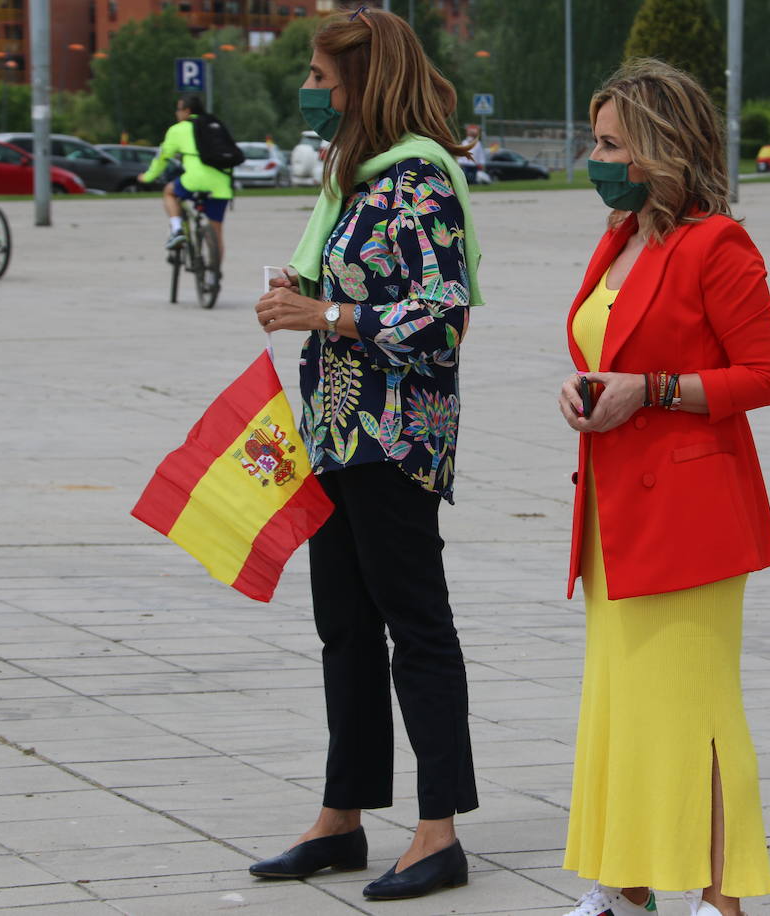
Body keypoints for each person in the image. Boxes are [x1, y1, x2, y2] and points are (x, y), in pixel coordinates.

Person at [247, 6, 484, 903]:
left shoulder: (419, 179)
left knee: (416, 626)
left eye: (318, 79)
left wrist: (329, 315)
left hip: (396, 440)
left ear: (362, 81)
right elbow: (355, 290)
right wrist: (300, 294)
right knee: (342, 628)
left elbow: (442, 319)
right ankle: (342, 819)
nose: (308, 93)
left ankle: (439, 830)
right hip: (337, 434)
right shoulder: (353, 180)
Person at [555, 59, 770, 916]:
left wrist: (648, 390)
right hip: (612, 512)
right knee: (623, 709)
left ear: (658, 149)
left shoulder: (716, 245)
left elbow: (764, 376)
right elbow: (605, 351)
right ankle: (625, 886)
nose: (596, 155)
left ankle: (721, 901)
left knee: (697, 712)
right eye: (596, 139)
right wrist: (585, 387)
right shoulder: (618, 238)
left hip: (692, 519)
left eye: (611, 142)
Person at [139, 94, 234, 258]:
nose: (177, 113)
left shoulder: (178, 129)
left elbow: (163, 157)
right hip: (221, 184)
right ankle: (213, 278)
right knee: (217, 232)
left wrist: (147, 177)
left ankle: (176, 230)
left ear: (187, 111)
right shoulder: (215, 125)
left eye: (178, 109)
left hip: (194, 181)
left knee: (169, 192)